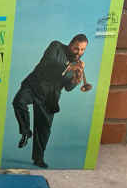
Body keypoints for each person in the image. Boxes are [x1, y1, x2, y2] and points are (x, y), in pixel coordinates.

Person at [12, 34, 89, 168]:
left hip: (50, 97)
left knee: (43, 130)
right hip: (34, 86)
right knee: (18, 102)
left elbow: (68, 88)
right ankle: (26, 132)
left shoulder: (77, 66)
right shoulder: (56, 46)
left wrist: (76, 79)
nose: (79, 52)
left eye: (82, 50)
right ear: (70, 44)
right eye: (77, 48)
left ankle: (38, 158)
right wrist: (68, 67)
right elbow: (47, 64)